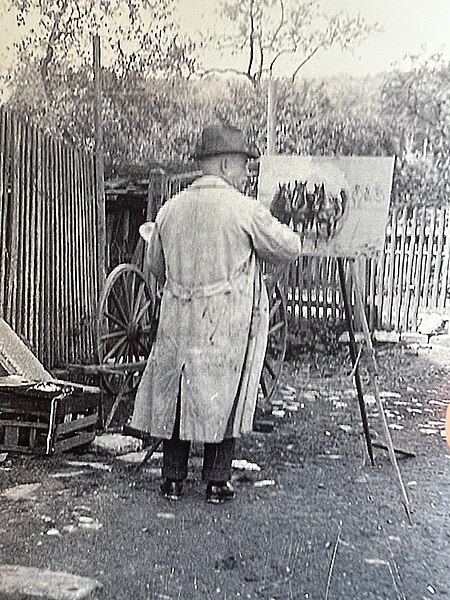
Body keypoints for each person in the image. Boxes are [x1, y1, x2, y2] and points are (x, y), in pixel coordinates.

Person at [130, 124, 301, 504]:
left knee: (177, 392)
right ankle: (216, 481)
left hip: (178, 316)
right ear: (225, 164)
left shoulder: (170, 210)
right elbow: (286, 248)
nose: (246, 175)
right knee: (222, 395)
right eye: (243, 167)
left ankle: (172, 479)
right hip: (223, 321)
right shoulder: (244, 210)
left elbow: (154, 267)